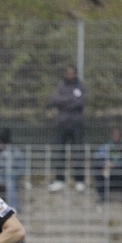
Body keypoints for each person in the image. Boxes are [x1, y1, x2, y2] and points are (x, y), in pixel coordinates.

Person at [48, 65, 87, 193]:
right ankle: (60, 180)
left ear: (76, 74)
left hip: (76, 124)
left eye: (72, 73)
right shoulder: (60, 86)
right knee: (60, 152)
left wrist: (65, 101)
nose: (70, 75)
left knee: (78, 153)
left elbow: (81, 101)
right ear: (65, 74)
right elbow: (55, 100)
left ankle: (79, 181)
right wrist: (71, 100)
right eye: (68, 73)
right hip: (62, 124)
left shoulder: (81, 87)